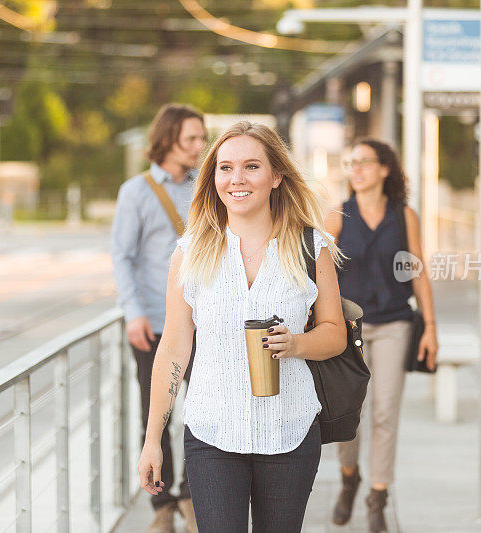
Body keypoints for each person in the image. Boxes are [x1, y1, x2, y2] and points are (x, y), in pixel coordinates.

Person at [137, 121, 348, 533]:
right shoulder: (190, 253)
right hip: (212, 434)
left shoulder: (310, 247)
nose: (237, 179)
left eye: (252, 166)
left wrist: (297, 344)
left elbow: (335, 332)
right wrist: (152, 442)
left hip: (290, 431)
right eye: (225, 167)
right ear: (213, 177)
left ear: (276, 176)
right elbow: (174, 349)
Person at [325, 139, 438, 533]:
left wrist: (431, 328)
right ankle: (349, 477)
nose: (355, 169)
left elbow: (417, 270)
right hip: (347, 328)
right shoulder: (337, 216)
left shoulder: (404, 216)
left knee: (386, 412)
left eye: (364, 162)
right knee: (348, 414)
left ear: (384, 169)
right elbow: (318, 274)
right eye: (350, 163)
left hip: (394, 324)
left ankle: (377, 497)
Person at [111, 103, 207, 533]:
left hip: (203, 322)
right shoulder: (136, 191)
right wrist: (132, 314)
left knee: (204, 411)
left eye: (202, 138)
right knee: (158, 415)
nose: (200, 146)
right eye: (192, 139)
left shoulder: (207, 185)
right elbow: (122, 257)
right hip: (152, 323)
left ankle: (191, 493)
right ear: (167, 140)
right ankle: (162, 506)